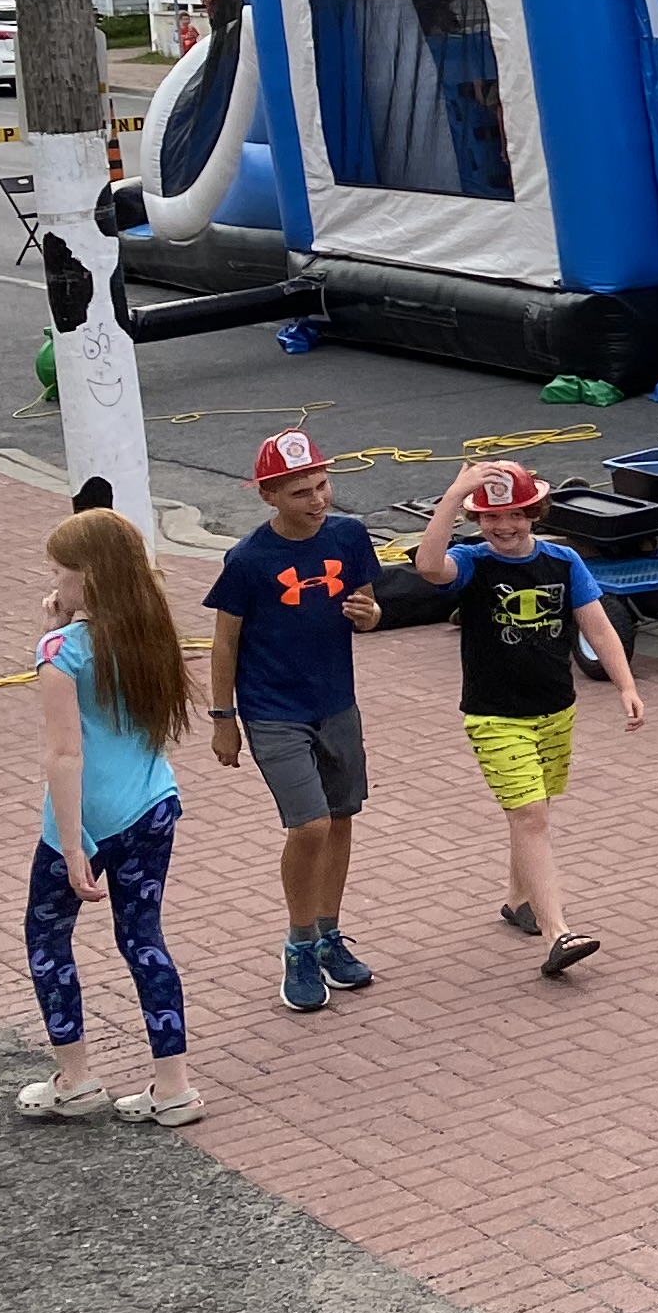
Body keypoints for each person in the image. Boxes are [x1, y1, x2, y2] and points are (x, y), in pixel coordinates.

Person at [413, 463, 642, 980]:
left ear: (533, 513)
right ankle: (557, 930)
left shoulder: (563, 561)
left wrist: (626, 685)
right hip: (495, 716)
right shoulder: (470, 562)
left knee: (531, 812)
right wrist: (453, 496)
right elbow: (429, 567)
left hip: (556, 710)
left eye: (515, 515)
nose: (504, 527)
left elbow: (599, 628)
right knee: (531, 816)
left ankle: (518, 899)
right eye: (491, 517)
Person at [16, 509, 199, 1123]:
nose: (55, 582)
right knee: (143, 938)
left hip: (87, 817)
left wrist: (71, 848)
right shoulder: (153, 630)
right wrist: (61, 623)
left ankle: (75, 1075)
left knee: (47, 936)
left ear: (87, 579)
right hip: (152, 805)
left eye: (61, 572)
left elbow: (64, 754)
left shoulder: (59, 652)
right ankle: (173, 1087)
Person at [203, 429, 385, 1018]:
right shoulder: (249, 560)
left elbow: (366, 608)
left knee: (339, 820)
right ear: (270, 496)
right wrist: (222, 717)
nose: (318, 499)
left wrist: (371, 615)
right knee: (307, 827)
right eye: (301, 490)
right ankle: (299, 945)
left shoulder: (350, 536)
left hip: (337, 703)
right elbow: (225, 642)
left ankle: (331, 936)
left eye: (322, 484)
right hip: (273, 711)